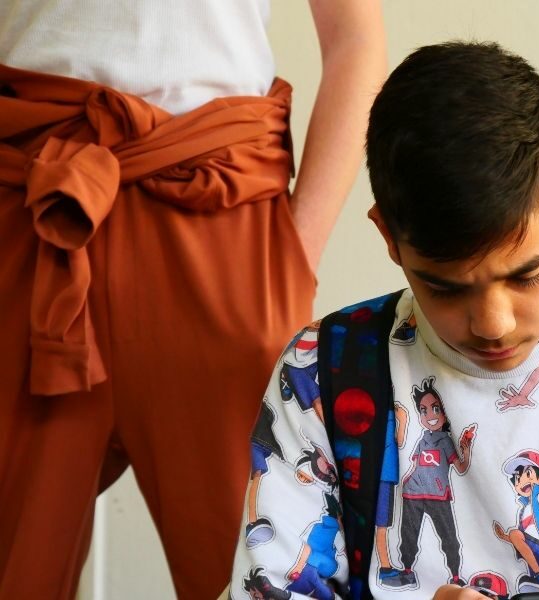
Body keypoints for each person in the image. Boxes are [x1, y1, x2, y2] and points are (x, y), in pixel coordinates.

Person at [226, 41, 539, 599]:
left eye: (526, 275)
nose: (493, 324)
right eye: (446, 288)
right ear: (388, 237)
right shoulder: (318, 371)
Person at [0, 1, 386, 598]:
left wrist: (294, 255)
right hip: (34, 205)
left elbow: (355, 38)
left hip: (221, 213)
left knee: (259, 575)